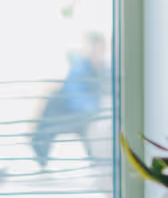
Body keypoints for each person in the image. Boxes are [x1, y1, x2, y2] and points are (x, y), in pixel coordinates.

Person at [31, 33, 109, 171]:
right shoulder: (80, 67)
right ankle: (41, 158)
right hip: (71, 111)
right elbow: (75, 95)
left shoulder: (103, 70)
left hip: (81, 113)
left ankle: (41, 155)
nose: (96, 53)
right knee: (47, 124)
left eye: (99, 50)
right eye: (93, 49)